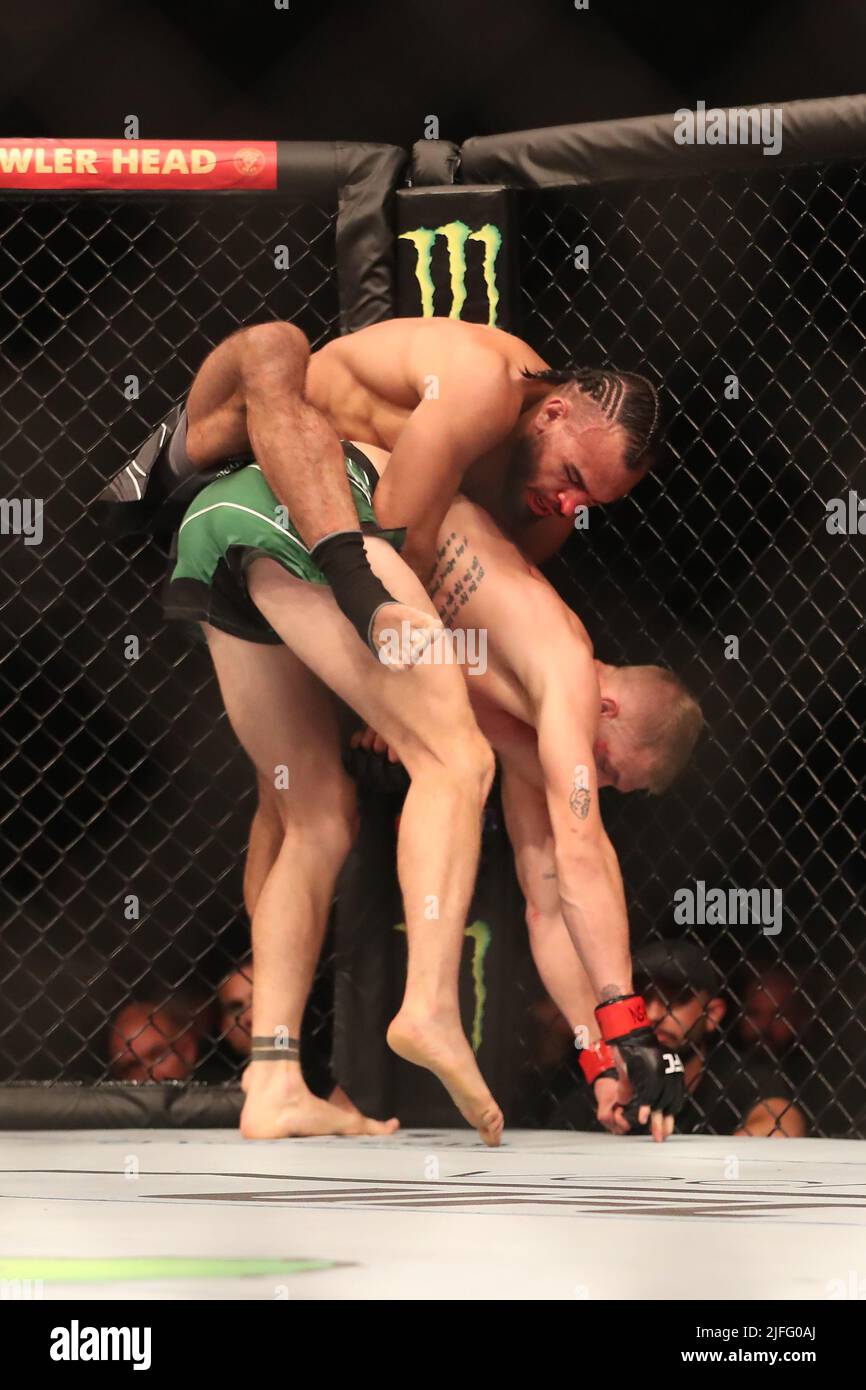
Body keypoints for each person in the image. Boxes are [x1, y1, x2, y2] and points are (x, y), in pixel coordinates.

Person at [190, 439, 700, 1140]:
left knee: (316, 817)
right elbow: (585, 850)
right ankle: (428, 1003)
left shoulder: (528, 728)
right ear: (609, 713)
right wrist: (631, 1022)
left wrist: (602, 1059)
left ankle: (273, 1075)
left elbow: (549, 896)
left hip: (225, 533)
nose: (598, 783)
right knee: (457, 763)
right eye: (610, 769)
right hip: (306, 505)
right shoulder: (568, 670)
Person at [99, 318, 660, 663]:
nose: (571, 508)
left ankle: (363, 619)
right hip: (254, 441)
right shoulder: (483, 384)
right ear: (553, 413)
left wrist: (417, 681)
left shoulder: (547, 516)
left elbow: (470, 602)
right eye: (573, 478)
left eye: (592, 503)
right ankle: (160, 473)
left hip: (307, 550)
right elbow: (398, 533)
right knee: (277, 345)